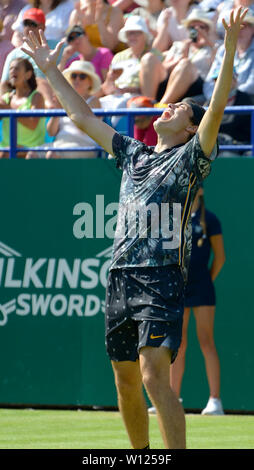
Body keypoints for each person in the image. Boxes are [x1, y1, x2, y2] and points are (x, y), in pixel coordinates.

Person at [21, 6, 247, 449]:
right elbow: (83, 119)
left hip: (162, 279)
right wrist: (49, 70)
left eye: (180, 107)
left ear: (191, 129)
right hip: (120, 278)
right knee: (126, 382)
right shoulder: (133, 153)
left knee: (151, 374)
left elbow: (216, 105)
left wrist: (230, 45)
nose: (170, 108)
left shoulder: (190, 157)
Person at [169, 187, 226, 415]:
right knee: (177, 344)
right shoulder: (174, 219)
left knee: (206, 341)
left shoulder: (210, 219)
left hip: (202, 288)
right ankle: (172, 399)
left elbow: (220, 258)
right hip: (179, 288)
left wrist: (205, 281)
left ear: (201, 190)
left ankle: (215, 401)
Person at [141, 8, 218, 102]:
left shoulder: (213, 47)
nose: (197, 30)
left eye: (201, 27)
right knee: (148, 58)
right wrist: (180, 59)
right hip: (171, 81)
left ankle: (160, 107)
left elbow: (219, 63)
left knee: (186, 64)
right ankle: (147, 103)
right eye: (192, 28)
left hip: (196, 86)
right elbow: (163, 66)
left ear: (208, 30)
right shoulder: (179, 45)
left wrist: (207, 41)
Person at [1, 8, 57, 108]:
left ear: (43, 27)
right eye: (26, 24)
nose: (29, 28)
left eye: (33, 24)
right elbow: (4, 85)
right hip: (22, 105)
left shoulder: (57, 47)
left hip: (52, 102)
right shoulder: (14, 54)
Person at [46, 61, 101, 158]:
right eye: (74, 76)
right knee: (32, 154)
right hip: (59, 144)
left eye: (82, 76)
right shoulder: (64, 100)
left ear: (90, 83)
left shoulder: (94, 101)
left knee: (52, 155)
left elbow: (84, 130)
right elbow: (51, 132)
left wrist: (67, 104)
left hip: (84, 145)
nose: (77, 79)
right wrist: (57, 110)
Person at [204, 9, 254, 100]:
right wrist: (216, 99)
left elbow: (251, 86)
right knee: (188, 103)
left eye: (242, 27)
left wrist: (229, 97)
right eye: (234, 27)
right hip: (220, 100)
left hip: (245, 101)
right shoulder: (222, 50)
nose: (238, 31)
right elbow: (209, 83)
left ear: (252, 29)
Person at [0, 58, 45, 159]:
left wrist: (9, 110)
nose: (12, 71)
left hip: (31, 150)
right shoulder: (5, 98)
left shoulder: (36, 97)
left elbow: (32, 124)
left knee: (5, 154)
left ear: (28, 75)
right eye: (10, 69)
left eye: (16, 68)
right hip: (5, 150)